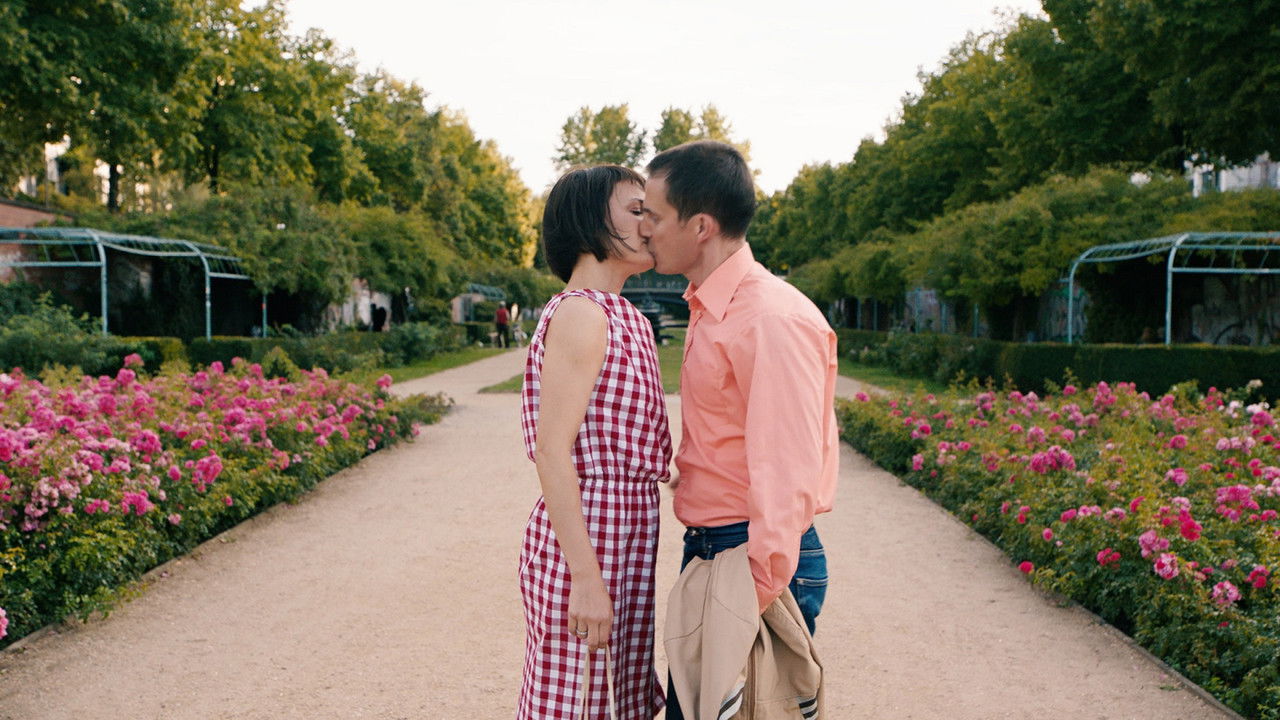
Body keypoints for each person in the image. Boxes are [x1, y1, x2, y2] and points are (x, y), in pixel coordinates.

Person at [638, 140, 838, 720]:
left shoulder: (770, 317)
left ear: (700, 226)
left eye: (653, 215)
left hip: (750, 557)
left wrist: (752, 589)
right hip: (714, 551)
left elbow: (789, 467)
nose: (644, 228)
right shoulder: (714, 307)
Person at [518, 165, 672, 719]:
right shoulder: (581, 313)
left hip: (629, 535)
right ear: (588, 222)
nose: (650, 224)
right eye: (636, 211)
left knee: (617, 701)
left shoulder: (627, 316)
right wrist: (585, 579)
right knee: (575, 703)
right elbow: (551, 451)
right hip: (587, 542)